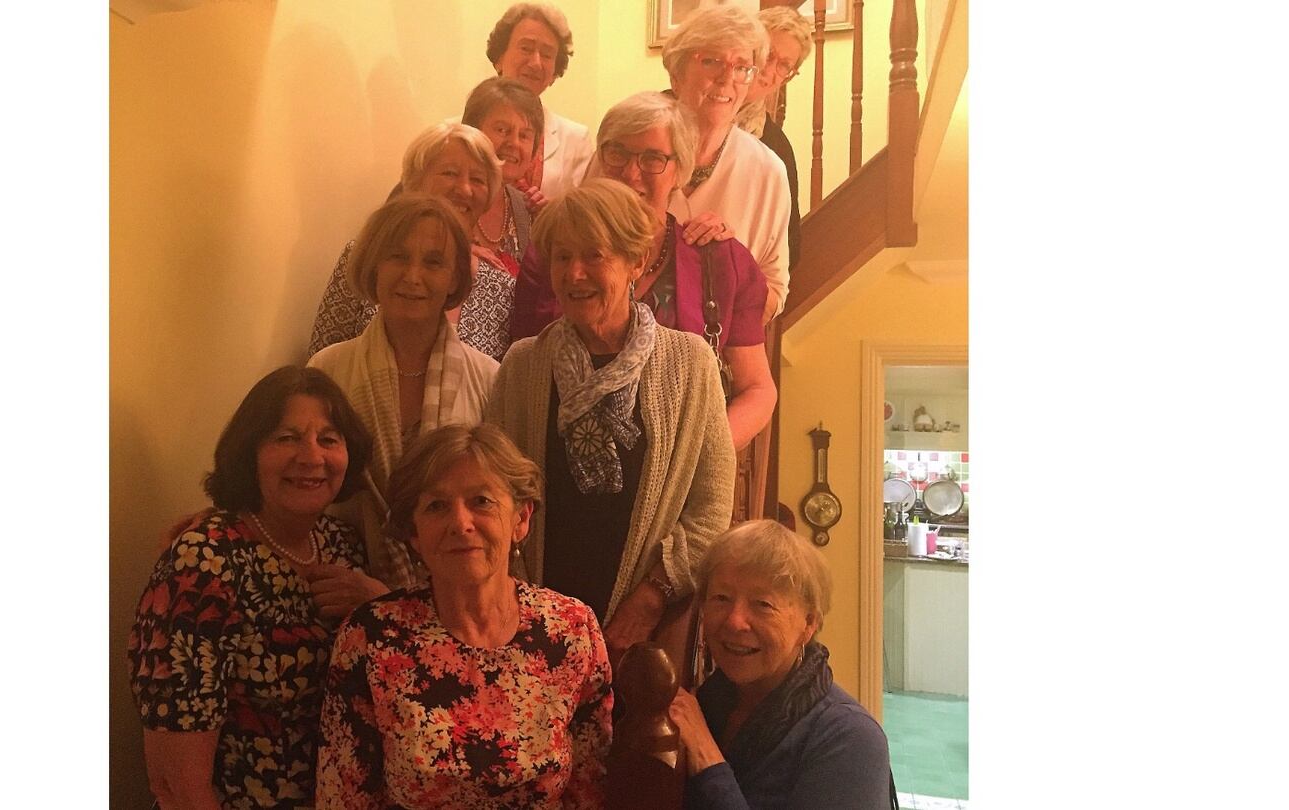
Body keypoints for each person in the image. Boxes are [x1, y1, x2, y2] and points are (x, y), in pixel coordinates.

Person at [486, 179, 735, 668]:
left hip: (643, 635)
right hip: (533, 625)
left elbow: (710, 508)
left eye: (595, 256)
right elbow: (496, 492)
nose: (575, 274)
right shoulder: (523, 365)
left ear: (635, 264)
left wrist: (651, 597)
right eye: (562, 257)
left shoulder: (688, 363)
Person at [317, 424, 612, 808]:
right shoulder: (371, 638)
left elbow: (590, 788)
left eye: (482, 501)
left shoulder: (572, 630)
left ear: (521, 519)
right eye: (436, 506)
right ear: (415, 534)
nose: (460, 522)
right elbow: (344, 796)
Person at [128, 366, 381, 809]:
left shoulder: (343, 546)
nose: (310, 456)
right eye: (286, 438)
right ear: (250, 452)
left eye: (328, 438)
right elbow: (177, 784)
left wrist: (379, 602)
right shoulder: (201, 563)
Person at [510, 91, 776, 452]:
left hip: (681, 474)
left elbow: (757, 389)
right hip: (561, 461)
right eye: (617, 153)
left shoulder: (720, 261)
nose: (630, 173)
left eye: (652, 158)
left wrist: (702, 457)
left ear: (679, 171)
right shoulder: (550, 255)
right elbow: (524, 376)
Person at [308, 194, 499, 590]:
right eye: (397, 257)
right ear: (373, 266)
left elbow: (495, 509)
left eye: (433, 262)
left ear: (454, 278)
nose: (413, 276)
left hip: (455, 596)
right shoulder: (328, 370)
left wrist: (391, 602)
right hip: (338, 585)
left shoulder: (491, 379)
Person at [668, 520, 897, 809]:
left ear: (809, 623)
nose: (734, 621)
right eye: (721, 598)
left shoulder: (850, 738)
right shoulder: (708, 701)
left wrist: (706, 757)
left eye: (763, 604)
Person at [307, 123, 513, 360]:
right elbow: (320, 361)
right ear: (415, 181)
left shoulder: (502, 288)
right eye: (450, 173)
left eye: (478, 179)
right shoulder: (367, 255)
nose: (465, 189)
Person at [663, 4, 791, 324]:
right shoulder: (628, 146)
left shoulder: (768, 172)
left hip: (715, 361)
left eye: (742, 67)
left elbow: (775, 292)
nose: (727, 79)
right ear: (677, 75)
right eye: (712, 61)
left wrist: (730, 263)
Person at [486, 2, 593, 201]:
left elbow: (584, 219)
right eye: (526, 48)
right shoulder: (460, 130)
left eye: (546, 54)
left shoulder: (576, 140)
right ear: (499, 57)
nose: (536, 62)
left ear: (555, 71)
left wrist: (552, 215)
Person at [738, 5, 814, 273]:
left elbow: (789, 244)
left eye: (785, 66)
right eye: (767, 53)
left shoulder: (777, 147)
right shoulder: (673, 109)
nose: (769, 71)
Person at [461, 76, 545, 274]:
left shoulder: (526, 211)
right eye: (502, 130)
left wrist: (547, 228)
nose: (514, 143)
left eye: (524, 135)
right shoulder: (433, 189)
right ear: (472, 130)